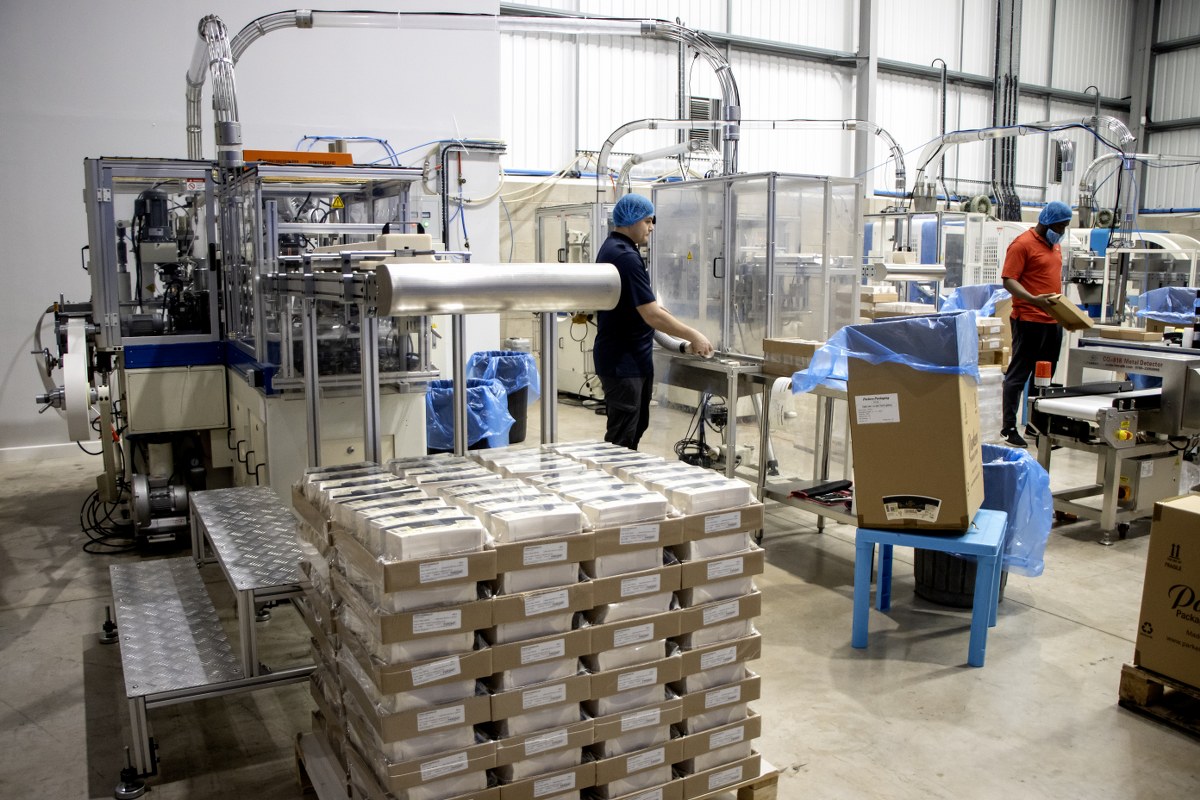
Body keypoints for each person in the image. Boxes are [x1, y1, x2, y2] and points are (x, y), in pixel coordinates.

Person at [593, 193, 714, 450]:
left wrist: (681, 344)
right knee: (622, 438)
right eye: (648, 220)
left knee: (634, 429)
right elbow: (651, 315)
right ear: (631, 219)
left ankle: (622, 482)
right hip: (623, 363)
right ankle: (614, 485)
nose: (651, 227)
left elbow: (645, 312)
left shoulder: (616, 248)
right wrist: (694, 335)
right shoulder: (625, 256)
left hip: (630, 360)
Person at [999, 200, 1073, 447]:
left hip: (1053, 320)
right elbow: (1009, 280)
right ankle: (1009, 428)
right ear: (1047, 221)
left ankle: (1036, 426)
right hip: (1029, 319)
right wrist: (1032, 299)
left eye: (1065, 227)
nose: (1062, 231)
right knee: (1019, 374)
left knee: (1045, 377)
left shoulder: (1055, 246)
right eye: (1060, 226)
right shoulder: (1022, 245)